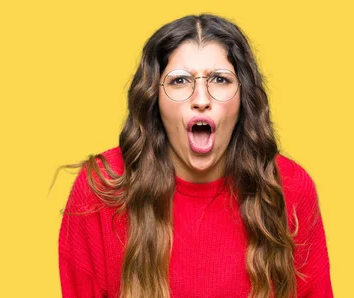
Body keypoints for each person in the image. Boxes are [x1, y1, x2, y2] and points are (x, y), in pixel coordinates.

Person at [56, 14, 332, 298]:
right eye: (179, 81)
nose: (201, 99)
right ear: (154, 98)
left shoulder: (289, 188)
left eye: (220, 79)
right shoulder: (102, 189)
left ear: (243, 96)